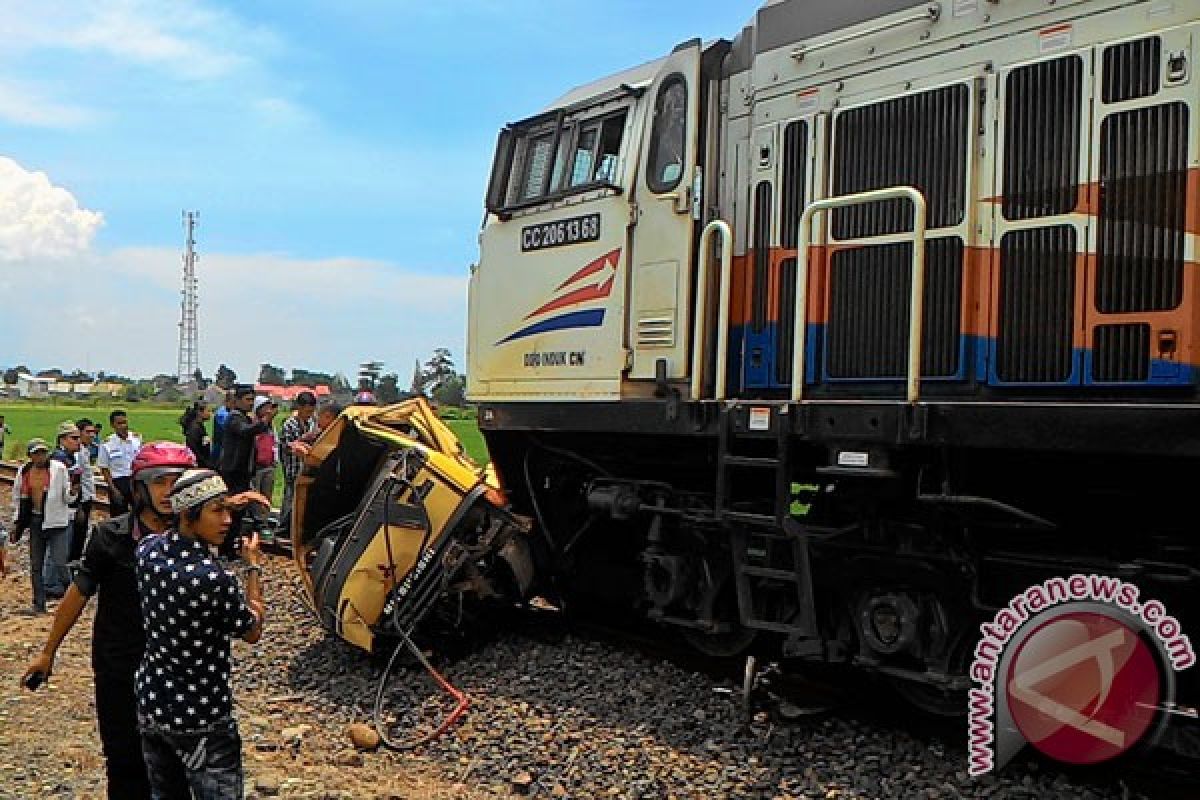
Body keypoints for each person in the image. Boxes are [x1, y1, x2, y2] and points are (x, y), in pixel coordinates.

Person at [22, 443, 197, 800]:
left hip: (177, 668)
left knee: (179, 763)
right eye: (160, 482)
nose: (169, 492)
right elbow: (79, 592)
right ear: (139, 488)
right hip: (121, 665)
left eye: (178, 483)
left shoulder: (195, 538)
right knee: (124, 758)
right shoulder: (112, 537)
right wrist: (48, 652)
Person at [135, 469, 267, 798]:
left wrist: (222, 502)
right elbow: (252, 629)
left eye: (228, 510)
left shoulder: (148, 551)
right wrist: (252, 567)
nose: (226, 521)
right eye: (217, 510)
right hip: (202, 715)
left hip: (154, 703)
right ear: (189, 515)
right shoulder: (212, 579)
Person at [11, 438, 78, 613]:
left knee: (60, 563)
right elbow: (18, 498)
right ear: (30, 456)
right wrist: (16, 523)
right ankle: (38, 604)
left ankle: (73, 600)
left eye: (43, 452)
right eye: (36, 453)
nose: (40, 457)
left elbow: (67, 497)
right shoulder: (24, 472)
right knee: (36, 565)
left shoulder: (59, 469)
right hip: (35, 521)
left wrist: (72, 493)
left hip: (56, 522)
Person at [47, 421, 84, 597]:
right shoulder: (59, 460)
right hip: (62, 509)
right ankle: (51, 583)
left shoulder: (70, 458)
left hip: (68, 507)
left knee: (62, 548)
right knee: (56, 549)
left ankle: (54, 582)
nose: (78, 442)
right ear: (62, 439)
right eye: (74, 438)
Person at [277, 391, 317, 540]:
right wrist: (304, 439)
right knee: (290, 500)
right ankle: (282, 531)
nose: (309, 414)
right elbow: (288, 447)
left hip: (306, 469)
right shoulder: (290, 424)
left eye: (311, 411)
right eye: (307, 411)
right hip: (293, 468)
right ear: (299, 408)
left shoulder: (311, 423)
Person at [218, 385, 267, 495]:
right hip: (233, 470)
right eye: (248, 399)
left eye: (252, 400)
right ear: (237, 401)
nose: (251, 403)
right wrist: (264, 421)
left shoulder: (245, 417)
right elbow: (245, 431)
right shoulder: (234, 417)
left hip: (243, 471)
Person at [97, 410, 142, 515]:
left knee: (140, 512)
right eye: (119, 423)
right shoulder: (107, 444)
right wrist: (114, 490)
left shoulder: (136, 439)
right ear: (113, 425)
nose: (123, 426)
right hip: (118, 483)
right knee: (118, 515)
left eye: (125, 422)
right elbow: (104, 469)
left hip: (135, 481)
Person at [70, 418, 100, 565]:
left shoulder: (85, 450)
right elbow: (76, 479)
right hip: (80, 500)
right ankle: (73, 562)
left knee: (81, 532)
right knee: (78, 532)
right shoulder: (77, 453)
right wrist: (81, 504)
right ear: (79, 433)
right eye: (88, 432)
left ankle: (75, 560)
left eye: (93, 432)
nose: (92, 435)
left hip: (86, 497)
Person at [250, 396, 279, 530]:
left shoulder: (271, 426)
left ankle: (264, 520)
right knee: (256, 494)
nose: (269, 410)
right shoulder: (254, 423)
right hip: (257, 465)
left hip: (269, 464)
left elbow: (275, 444)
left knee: (267, 494)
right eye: (266, 407)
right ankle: (257, 521)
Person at [180, 400, 214, 468]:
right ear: (199, 412)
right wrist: (205, 464)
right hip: (197, 466)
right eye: (208, 411)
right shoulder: (194, 429)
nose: (210, 413)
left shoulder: (200, 426)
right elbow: (194, 450)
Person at [210, 390, 235, 465]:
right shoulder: (222, 413)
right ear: (227, 401)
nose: (235, 404)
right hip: (221, 451)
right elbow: (231, 428)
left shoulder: (230, 412)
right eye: (233, 402)